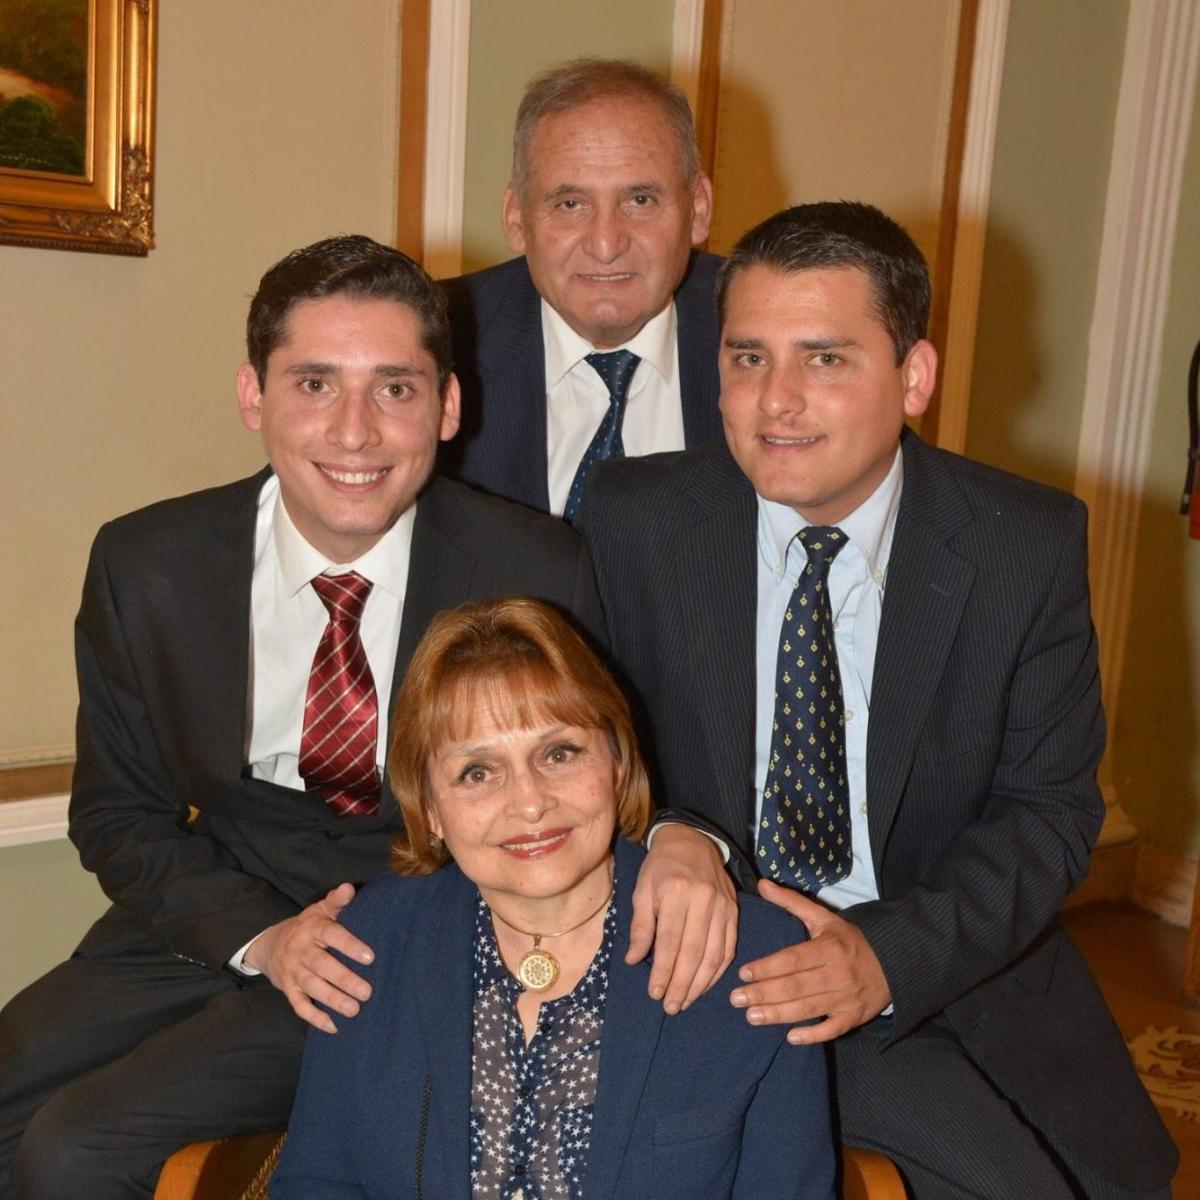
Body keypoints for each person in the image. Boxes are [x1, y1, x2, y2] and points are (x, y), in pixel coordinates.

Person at [0, 236, 731, 1200]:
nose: (355, 432)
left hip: (415, 928)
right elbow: (116, 813)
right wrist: (261, 937)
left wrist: (687, 837)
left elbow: (602, 770)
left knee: (76, 1147)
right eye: (314, 384)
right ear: (253, 396)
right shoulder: (147, 562)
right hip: (208, 902)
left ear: (448, 406)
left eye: (394, 388)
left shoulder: (532, 566)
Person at [578, 202, 1178, 1199]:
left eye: (825, 359)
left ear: (914, 377)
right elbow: (582, 755)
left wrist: (886, 959)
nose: (776, 401)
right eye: (747, 357)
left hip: (947, 955)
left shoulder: (1022, 545)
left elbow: (1047, 813)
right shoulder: (634, 520)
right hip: (714, 965)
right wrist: (678, 833)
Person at [271, 597, 835, 1200]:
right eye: (478, 772)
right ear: (430, 807)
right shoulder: (368, 944)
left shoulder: (755, 957)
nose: (530, 803)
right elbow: (316, 1183)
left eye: (559, 753)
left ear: (617, 762)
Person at [440, 58, 724, 519]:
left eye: (640, 200)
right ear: (516, 218)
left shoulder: (766, 336)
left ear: (698, 208)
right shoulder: (436, 340)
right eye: (571, 204)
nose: (606, 245)